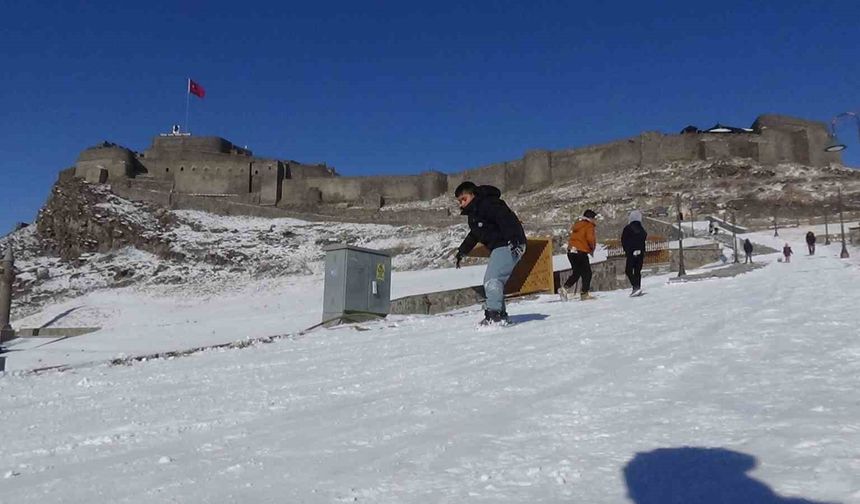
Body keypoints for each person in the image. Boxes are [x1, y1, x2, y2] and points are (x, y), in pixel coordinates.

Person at [454, 181, 527, 325]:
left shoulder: (488, 204)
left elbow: (506, 219)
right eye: (459, 201)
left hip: (509, 243)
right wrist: (462, 252)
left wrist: (513, 240)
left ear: (473, 195)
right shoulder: (474, 215)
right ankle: (500, 314)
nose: (461, 204)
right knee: (494, 280)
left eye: (464, 199)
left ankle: (494, 315)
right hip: (501, 246)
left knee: (492, 280)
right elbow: (474, 235)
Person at [558, 209, 597, 301]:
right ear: (590, 218)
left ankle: (565, 288)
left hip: (571, 251)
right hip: (580, 251)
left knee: (577, 272)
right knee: (587, 273)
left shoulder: (577, 225)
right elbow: (590, 238)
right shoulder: (589, 225)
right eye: (594, 218)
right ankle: (584, 294)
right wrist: (592, 248)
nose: (595, 220)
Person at [621, 209, 647, 296]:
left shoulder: (628, 228)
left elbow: (624, 240)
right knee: (637, 271)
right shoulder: (641, 228)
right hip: (641, 252)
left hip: (631, 252)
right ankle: (637, 288)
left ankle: (635, 287)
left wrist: (627, 250)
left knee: (628, 270)